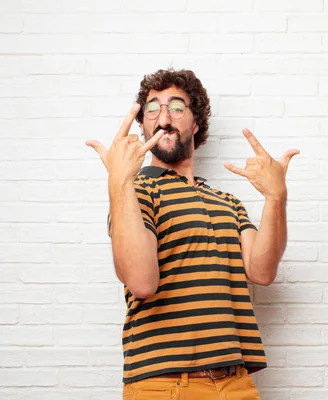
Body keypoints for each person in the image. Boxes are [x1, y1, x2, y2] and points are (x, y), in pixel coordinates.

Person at [86, 68, 298, 400]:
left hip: (236, 384)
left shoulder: (228, 202)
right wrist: (120, 182)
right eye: (152, 108)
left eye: (177, 107)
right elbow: (141, 283)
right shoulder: (137, 191)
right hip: (163, 385)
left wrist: (275, 197)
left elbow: (262, 271)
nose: (164, 116)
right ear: (143, 125)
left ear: (195, 123)